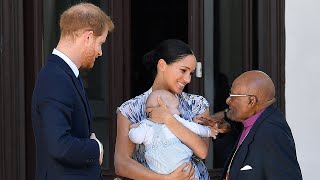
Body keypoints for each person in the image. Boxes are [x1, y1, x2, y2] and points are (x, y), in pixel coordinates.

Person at [31, 3, 114, 180]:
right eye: (100, 43)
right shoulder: (56, 78)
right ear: (88, 37)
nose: (100, 52)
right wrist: (95, 148)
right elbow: (59, 145)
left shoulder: (64, 75)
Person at [115, 39, 217, 180]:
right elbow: (121, 164)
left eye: (191, 73)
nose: (188, 79)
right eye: (183, 70)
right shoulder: (130, 109)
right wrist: (165, 179)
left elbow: (202, 152)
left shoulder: (197, 104)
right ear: (162, 65)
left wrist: (168, 119)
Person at [197, 70, 302, 180]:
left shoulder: (272, 131)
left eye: (233, 96)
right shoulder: (254, 121)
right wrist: (227, 133)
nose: (228, 100)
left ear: (251, 101)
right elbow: (244, 160)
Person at [128, 89, 220, 177]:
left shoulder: (145, 125)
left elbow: (136, 137)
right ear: (164, 107)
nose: (179, 111)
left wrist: (133, 128)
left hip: (164, 169)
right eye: (176, 108)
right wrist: (209, 132)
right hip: (180, 168)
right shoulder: (173, 119)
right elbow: (195, 128)